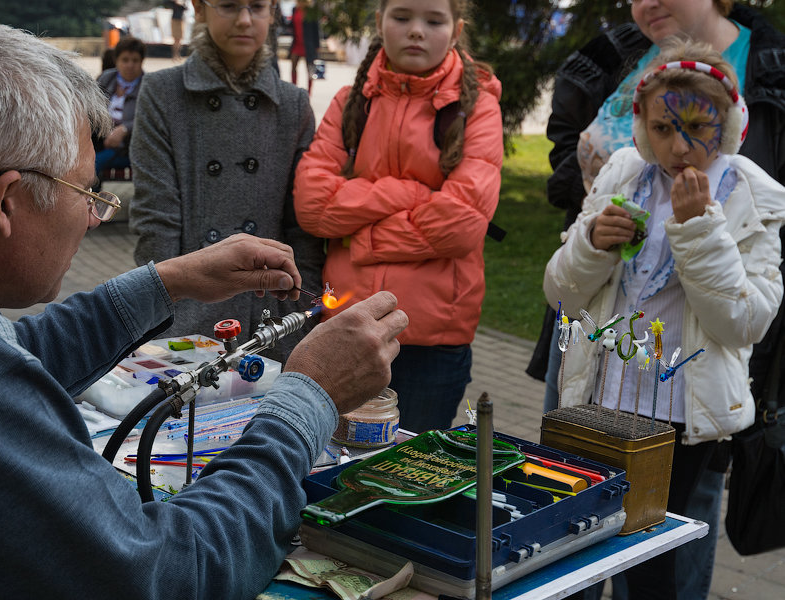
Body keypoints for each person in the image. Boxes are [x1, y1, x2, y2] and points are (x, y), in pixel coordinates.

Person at [0, 22, 408, 599]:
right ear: (6, 201)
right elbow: (167, 572)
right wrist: (309, 400)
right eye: (88, 193)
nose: (95, 218)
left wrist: (167, 283)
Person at [531, 5, 785, 595]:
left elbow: (745, 321)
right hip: (600, 397)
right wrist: (592, 244)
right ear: (643, 123)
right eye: (665, 128)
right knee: (576, 545)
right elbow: (561, 292)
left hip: (679, 416)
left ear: (727, 123)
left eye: (699, 127)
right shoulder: (624, 173)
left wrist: (700, 231)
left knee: (652, 566)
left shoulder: (753, 196)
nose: (680, 146)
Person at [293, 0, 502, 433]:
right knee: (334, 466)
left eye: (433, 20)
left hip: (432, 341)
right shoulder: (351, 102)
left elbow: (460, 221)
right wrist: (408, 192)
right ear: (380, 22)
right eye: (402, 17)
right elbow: (313, 205)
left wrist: (362, 240)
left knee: (415, 476)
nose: (416, 31)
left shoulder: (477, 107)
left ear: (456, 29)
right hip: (348, 322)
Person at [129, 0, 324, 365]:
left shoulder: (294, 104)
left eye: (257, 6)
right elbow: (155, 221)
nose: (245, 20)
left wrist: (299, 314)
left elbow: (303, 232)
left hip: (270, 321)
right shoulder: (162, 93)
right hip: (186, 319)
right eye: (230, 6)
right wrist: (167, 318)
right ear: (200, 9)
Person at [94, 36, 146, 182]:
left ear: (142, 62)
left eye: (135, 60)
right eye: (125, 60)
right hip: (100, 142)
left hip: (130, 149)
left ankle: (90, 201)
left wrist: (124, 129)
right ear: (116, 60)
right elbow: (90, 108)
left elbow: (150, 119)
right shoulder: (106, 79)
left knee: (92, 165)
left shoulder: (148, 85)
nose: (130, 65)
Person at [288, 0, 320, 95]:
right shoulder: (295, 10)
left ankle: (308, 93)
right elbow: (291, 25)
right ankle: (293, 89)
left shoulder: (311, 11)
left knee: (310, 69)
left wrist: (317, 46)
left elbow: (316, 29)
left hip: (308, 45)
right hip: (297, 44)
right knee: (293, 66)